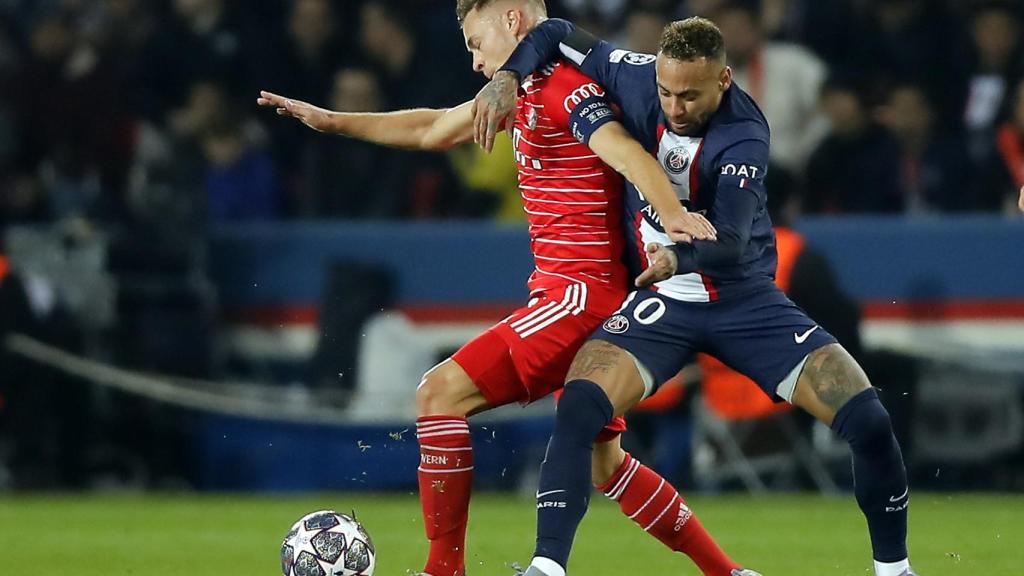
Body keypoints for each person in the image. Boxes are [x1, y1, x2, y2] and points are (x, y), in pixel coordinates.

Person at [257, 3, 760, 576]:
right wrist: (334, 121)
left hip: (579, 295)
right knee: (607, 464)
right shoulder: (519, 91)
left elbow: (625, 152)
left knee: (438, 393)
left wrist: (671, 213)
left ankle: (442, 570)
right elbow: (431, 127)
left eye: (476, 42)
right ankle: (729, 573)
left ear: (513, 20)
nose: (475, 62)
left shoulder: (561, 87)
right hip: (580, 296)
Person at [474, 15, 916, 576]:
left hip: (744, 301)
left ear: (724, 81)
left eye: (690, 95)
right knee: (581, 403)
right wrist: (508, 78)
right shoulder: (630, 75)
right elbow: (550, 31)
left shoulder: (744, 135)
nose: (675, 107)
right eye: (666, 91)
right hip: (663, 306)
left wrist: (675, 257)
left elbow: (730, 241)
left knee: (869, 420)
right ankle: (547, 568)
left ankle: (895, 570)